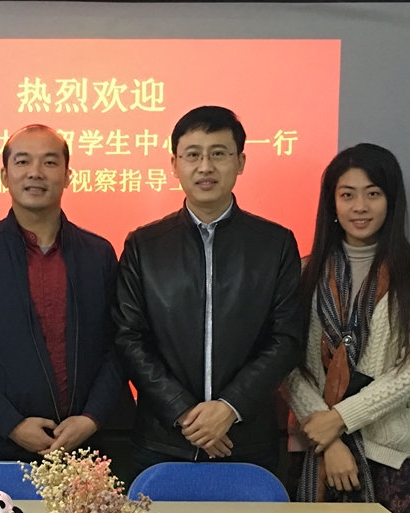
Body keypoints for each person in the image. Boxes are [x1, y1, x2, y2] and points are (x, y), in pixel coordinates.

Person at [114, 106, 303, 476]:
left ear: (240, 161)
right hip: (163, 441)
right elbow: (129, 338)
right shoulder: (144, 245)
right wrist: (185, 414)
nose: (205, 167)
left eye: (218, 153)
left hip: (246, 440)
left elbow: (286, 338)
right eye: (193, 155)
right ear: (174, 164)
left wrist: (229, 408)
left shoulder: (275, 244)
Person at [284, 143, 410, 513]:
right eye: (347, 195)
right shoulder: (303, 275)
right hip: (314, 454)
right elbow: (286, 365)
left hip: (387, 459)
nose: (360, 206)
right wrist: (329, 440)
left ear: (391, 201)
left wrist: (339, 420)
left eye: (373, 194)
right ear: (332, 203)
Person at [0, 124, 125, 461]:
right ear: (4, 176)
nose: (35, 173)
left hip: (88, 448)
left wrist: (91, 418)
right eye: (23, 162)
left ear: (68, 176)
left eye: (49, 162)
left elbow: (117, 345)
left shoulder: (98, 254)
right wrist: (11, 424)